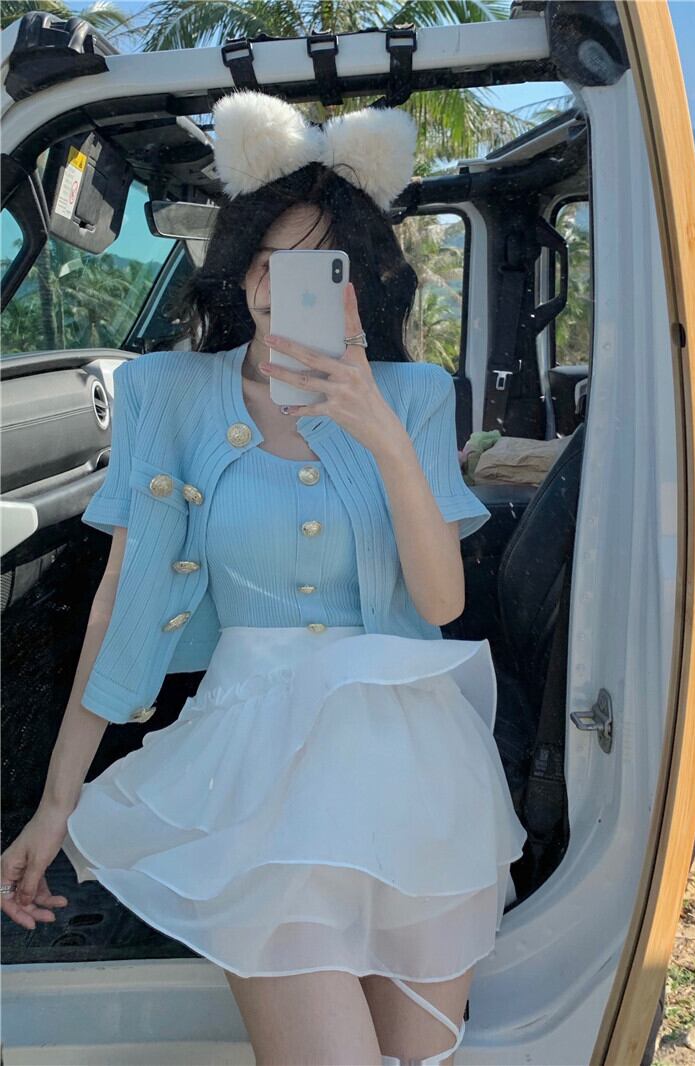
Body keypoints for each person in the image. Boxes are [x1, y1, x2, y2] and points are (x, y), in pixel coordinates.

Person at [1, 92, 528, 1066]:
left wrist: (378, 432)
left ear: (359, 284)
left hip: (416, 771)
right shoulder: (167, 393)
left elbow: (442, 603)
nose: (286, 289)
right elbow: (119, 602)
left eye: (321, 267)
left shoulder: (412, 397)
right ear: (241, 268)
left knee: (421, 1055)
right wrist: (55, 802)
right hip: (256, 768)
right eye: (269, 261)